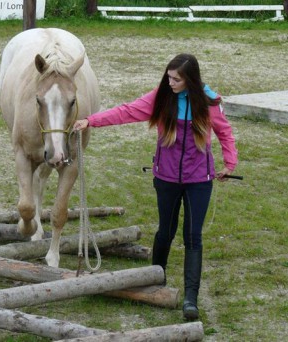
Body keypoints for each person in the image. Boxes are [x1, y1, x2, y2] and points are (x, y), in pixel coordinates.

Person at [73, 53, 238, 320]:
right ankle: (154, 279)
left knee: (193, 236)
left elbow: (224, 132)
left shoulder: (209, 102)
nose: (169, 82)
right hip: (167, 179)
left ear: (190, 80)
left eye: (176, 79)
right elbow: (126, 112)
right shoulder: (160, 97)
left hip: (199, 181)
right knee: (166, 231)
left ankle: (190, 298)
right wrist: (91, 121)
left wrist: (230, 163)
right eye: (168, 76)